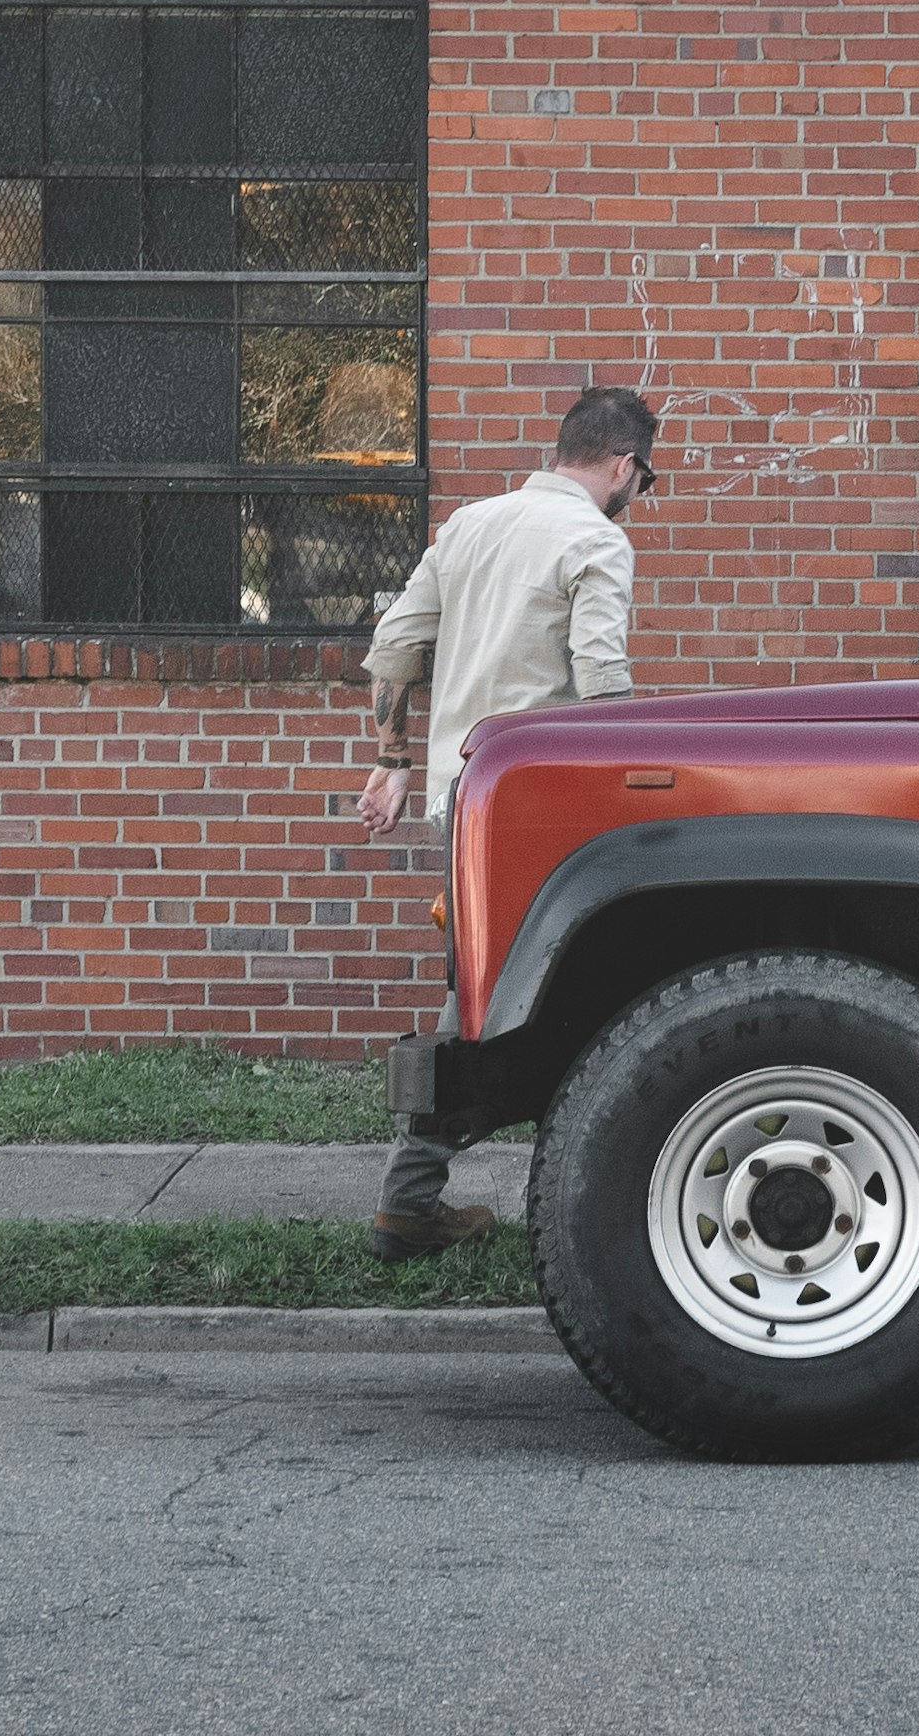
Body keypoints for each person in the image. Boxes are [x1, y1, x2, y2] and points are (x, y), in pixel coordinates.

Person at [354, 383, 660, 1259]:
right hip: (544, 813)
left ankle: (411, 1200)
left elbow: (395, 652)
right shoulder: (596, 540)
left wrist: (392, 763)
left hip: (462, 807)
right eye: (641, 481)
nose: (636, 498)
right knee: (592, 987)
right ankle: (599, 1199)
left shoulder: (468, 527)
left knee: (475, 988)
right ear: (622, 467)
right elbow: (601, 683)